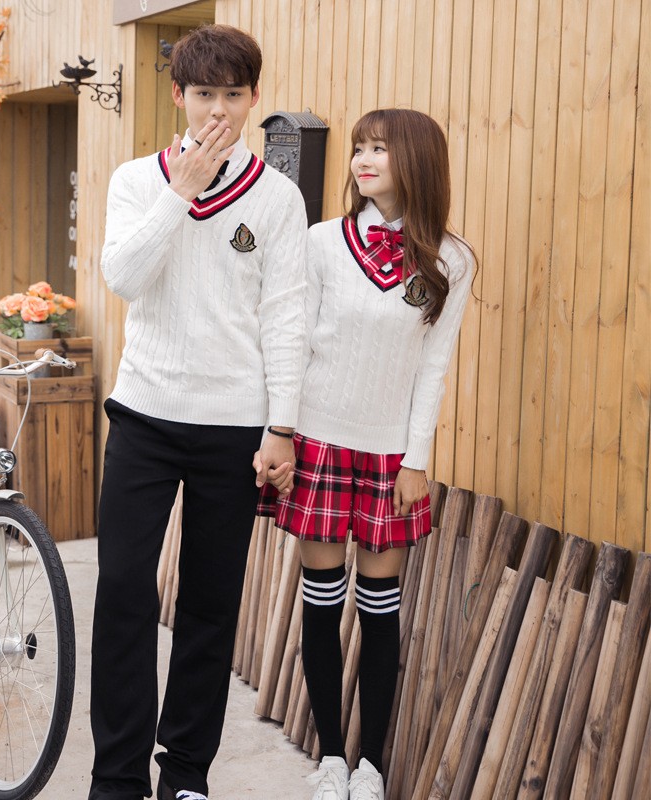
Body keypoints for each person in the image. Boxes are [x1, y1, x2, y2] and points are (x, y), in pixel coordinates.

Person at [90, 24, 307, 800]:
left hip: (235, 428)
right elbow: (124, 277)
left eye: (233, 95)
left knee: (211, 605)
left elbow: (286, 317)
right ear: (179, 96)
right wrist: (179, 191)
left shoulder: (278, 198)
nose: (218, 110)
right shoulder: (134, 181)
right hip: (145, 415)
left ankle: (185, 773)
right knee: (123, 592)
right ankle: (117, 779)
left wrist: (281, 427)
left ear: (253, 98)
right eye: (204, 94)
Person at [258, 108, 475, 800]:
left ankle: (370, 766)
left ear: (416, 160)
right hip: (319, 443)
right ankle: (330, 759)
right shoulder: (323, 242)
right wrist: (280, 430)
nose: (363, 158)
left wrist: (416, 460)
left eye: (379, 147)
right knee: (321, 607)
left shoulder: (451, 260)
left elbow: (433, 368)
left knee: (381, 614)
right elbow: (294, 341)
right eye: (359, 147)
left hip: (389, 458)